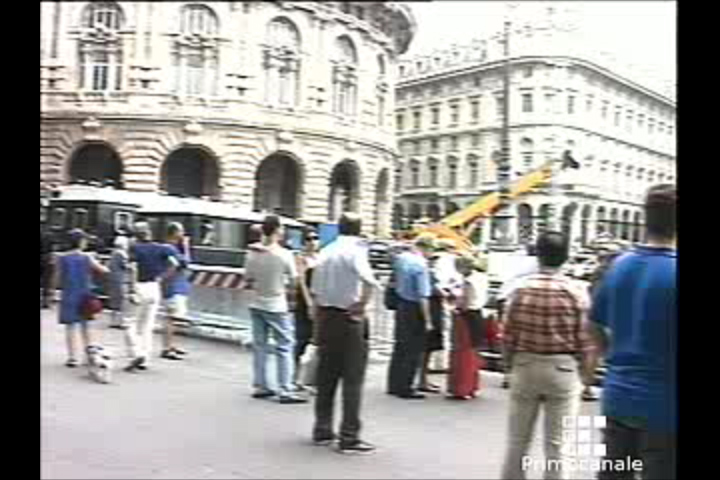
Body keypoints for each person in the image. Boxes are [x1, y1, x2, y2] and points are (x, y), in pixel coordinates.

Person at [590, 185, 677, 480]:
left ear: (645, 218)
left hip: (617, 398)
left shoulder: (618, 266)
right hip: (665, 410)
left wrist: (610, 358)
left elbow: (592, 323)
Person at [500, 231, 595, 480]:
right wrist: (585, 377)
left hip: (525, 364)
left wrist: (510, 366)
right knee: (558, 446)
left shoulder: (519, 291)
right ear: (565, 257)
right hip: (563, 369)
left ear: (537, 255)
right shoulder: (576, 292)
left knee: (517, 441)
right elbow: (586, 341)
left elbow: (507, 335)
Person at [310, 212, 380, 454]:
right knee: (352, 379)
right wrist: (362, 303)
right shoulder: (356, 251)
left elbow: (316, 292)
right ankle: (349, 436)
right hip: (349, 319)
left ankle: (322, 429)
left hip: (327, 316)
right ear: (359, 228)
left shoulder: (325, 251)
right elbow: (370, 280)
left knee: (326, 376)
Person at [242, 215, 306, 404]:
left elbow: (247, 279)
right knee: (284, 346)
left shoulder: (252, 252)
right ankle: (285, 389)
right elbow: (294, 280)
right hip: (277, 304)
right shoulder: (285, 254)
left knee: (260, 346)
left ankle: (261, 385)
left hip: (256, 302)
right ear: (277, 230)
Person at [124, 222, 179, 372]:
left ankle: (136, 353)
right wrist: (161, 277)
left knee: (130, 323)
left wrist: (131, 289)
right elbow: (174, 264)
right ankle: (145, 360)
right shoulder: (160, 248)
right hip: (154, 288)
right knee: (147, 326)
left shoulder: (134, 248)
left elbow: (133, 268)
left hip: (139, 286)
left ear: (136, 235)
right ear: (149, 233)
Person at [387, 234, 435, 400]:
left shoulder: (401, 259)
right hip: (414, 308)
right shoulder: (421, 265)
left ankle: (393, 384)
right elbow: (423, 295)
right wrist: (428, 320)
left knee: (400, 346)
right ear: (426, 248)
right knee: (413, 350)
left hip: (401, 305)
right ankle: (406, 387)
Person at [53, 229, 109, 367]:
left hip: (69, 294)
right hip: (85, 294)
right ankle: (89, 355)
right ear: (81, 242)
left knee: (70, 327)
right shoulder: (87, 257)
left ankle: (73, 357)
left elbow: (57, 277)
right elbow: (104, 270)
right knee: (86, 326)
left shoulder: (62, 258)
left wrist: (52, 291)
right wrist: (101, 262)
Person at [419, 239, 461, 393]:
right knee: (426, 346)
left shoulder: (430, 268)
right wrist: (447, 293)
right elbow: (433, 288)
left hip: (434, 307)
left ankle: (423, 379)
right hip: (431, 307)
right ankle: (421, 380)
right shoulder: (427, 269)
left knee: (429, 346)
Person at [447, 255, 489, 400]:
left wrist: (455, 306)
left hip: (467, 316)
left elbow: (466, 301)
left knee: (463, 352)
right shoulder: (482, 277)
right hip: (478, 315)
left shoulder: (468, 281)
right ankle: (472, 386)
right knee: (474, 351)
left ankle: (461, 387)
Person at [160, 222, 192, 361]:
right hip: (173, 287)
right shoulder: (171, 249)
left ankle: (171, 345)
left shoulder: (168, 248)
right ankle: (167, 347)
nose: (183, 234)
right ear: (174, 233)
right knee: (172, 318)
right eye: (181, 231)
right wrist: (186, 247)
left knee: (172, 317)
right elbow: (185, 262)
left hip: (171, 286)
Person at [293, 229, 321, 389]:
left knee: (317, 342)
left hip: (319, 302)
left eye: (315, 238)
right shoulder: (301, 258)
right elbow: (302, 282)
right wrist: (309, 303)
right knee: (301, 340)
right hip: (305, 304)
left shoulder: (320, 257)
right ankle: (294, 378)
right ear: (304, 242)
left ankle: (311, 379)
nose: (312, 241)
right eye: (309, 239)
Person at [108, 235, 132, 329]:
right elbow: (126, 266)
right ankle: (122, 322)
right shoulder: (122, 254)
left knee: (114, 301)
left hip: (113, 279)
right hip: (121, 279)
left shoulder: (113, 253)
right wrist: (132, 266)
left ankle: (113, 321)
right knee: (123, 301)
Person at [41, 224, 55, 309]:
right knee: (47, 281)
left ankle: (45, 300)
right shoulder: (50, 235)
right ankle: (45, 301)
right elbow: (53, 248)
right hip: (47, 258)